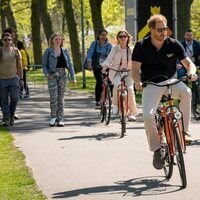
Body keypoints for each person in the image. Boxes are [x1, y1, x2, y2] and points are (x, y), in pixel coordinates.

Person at [131, 14, 198, 170]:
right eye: (160, 29)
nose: (164, 32)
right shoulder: (141, 46)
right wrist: (137, 81)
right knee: (148, 116)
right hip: (151, 84)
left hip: (170, 82)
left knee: (187, 92)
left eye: (166, 29)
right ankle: (156, 149)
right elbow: (134, 69)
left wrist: (192, 72)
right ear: (151, 29)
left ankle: (184, 132)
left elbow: (189, 64)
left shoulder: (173, 44)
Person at [101, 30, 138, 121]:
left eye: (124, 36)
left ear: (127, 38)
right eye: (120, 36)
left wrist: (140, 70)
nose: (122, 38)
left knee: (129, 89)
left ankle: (132, 113)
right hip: (117, 71)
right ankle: (116, 105)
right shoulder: (115, 49)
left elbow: (136, 61)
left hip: (129, 72)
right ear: (118, 38)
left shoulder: (131, 49)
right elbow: (109, 59)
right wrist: (104, 67)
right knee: (117, 85)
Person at [42, 32, 76, 127]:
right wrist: (47, 74)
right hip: (52, 75)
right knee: (54, 96)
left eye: (59, 39)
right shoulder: (48, 51)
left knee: (61, 97)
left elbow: (70, 65)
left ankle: (60, 119)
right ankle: (53, 117)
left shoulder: (65, 51)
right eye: (56, 39)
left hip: (62, 75)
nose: (58, 41)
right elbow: (44, 65)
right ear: (52, 40)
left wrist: (73, 78)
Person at [0, 32, 23, 126]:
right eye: (5, 40)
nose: (7, 41)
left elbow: (20, 65)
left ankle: (12, 115)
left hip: (13, 78)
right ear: (2, 41)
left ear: (11, 40)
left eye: (9, 39)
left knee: (15, 98)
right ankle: (7, 118)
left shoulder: (16, 51)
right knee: (4, 100)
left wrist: (21, 78)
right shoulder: (0, 51)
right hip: (2, 79)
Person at [87, 29, 112, 109]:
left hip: (106, 66)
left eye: (105, 35)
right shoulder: (94, 43)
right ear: (99, 35)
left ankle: (108, 97)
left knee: (110, 81)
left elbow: (112, 56)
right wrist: (89, 63)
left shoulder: (109, 45)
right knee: (99, 80)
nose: (103, 36)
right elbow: (90, 53)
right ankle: (98, 100)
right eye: (102, 35)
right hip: (97, 66)